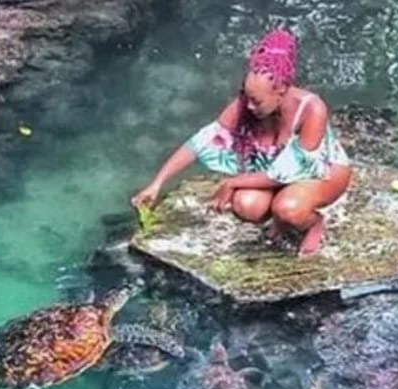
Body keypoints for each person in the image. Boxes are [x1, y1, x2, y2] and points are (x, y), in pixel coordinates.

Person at [130, 29, 352, 257]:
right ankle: (280, 216)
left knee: (288, 209)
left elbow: (289, 172)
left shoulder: (312, 109)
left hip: (319, 175)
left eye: (257, 102)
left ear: (281, 91)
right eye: (247, 98)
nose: (249, 107)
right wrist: (157, 183)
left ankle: (313, 222)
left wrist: (232, 183)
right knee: (247, 205)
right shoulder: (246, 103)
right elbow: (199, 143)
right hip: (277, 176)